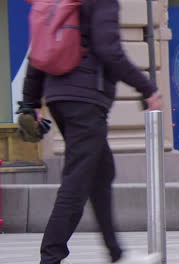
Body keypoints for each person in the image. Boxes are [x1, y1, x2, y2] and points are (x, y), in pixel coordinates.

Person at [22, 1, 163, 263]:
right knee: (77, 180)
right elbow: (109, 50)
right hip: (85, 98)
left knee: (101, 172)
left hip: (58, 97)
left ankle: (116, 254)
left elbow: (38, 52)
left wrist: (30, 102)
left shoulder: (58, 2)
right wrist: (147, 89)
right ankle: (50, 257)